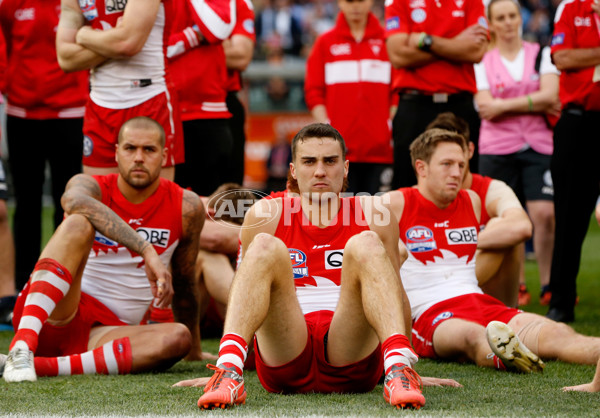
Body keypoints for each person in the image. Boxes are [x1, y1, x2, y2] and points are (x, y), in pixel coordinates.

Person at [178, 123, 461, 410]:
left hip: (350, 352)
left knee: (365, 241)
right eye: (309, 161)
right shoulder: (266, 214)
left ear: (346, 167)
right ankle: (228, 371)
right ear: (293, 170)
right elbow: (247, 296)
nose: (320, 171)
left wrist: (410, 359)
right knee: (264, 243)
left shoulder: (375, 214)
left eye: (330, 161)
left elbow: (396, 294)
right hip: (285, 350)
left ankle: (399, 369)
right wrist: (237, 361)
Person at [0, 117, 207, 382]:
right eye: (130, 148)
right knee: (77, 222)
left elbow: (186, 281)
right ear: (116, 152)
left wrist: (196, 351)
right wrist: (146, 248)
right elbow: (71, 200)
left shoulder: (186, 206)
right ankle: (23, 344)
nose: (139, 158)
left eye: (149, 150)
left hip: (108, 333)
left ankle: (33, 365)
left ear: (165, 155)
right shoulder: (92, 187)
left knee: (178, 337)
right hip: (58, 311)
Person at [385, 128, 600, 374]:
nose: (457, 173)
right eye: (447, 164)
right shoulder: (395, 202)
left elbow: (519, 227)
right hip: (428, 314)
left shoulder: (471, 200)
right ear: (421, 168)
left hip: (480, 301)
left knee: (558, 332)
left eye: (461, 164)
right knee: (471, 336)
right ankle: (506, 356)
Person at [474, 0, 560, 306]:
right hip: (497, 148)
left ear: (519, 19)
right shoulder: (482, 60)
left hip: (538, 144)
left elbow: (552, 95)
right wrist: (531, 101)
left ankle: (549, 283)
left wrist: (503, 105)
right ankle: (518, 283)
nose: (509, 22)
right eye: (501, 17)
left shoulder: (542, 54)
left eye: (512, 15)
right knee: (505, 216)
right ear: (492, 23)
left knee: (544, 214)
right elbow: (485, 108)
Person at [0, 0, 88, 292]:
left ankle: (69, 279)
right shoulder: (11, 5)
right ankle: (25, 282)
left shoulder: (78, 4)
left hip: (71, 112)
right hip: (22, 114)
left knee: (71, 203)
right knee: (26, 203)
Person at [55, 0, 184, 180]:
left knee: (154, 202)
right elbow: (66, 59)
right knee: (100, 201)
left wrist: (84, 35)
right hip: (100, 103)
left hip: (148, 98)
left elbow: (127, 44)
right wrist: (115, 40)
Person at [426, 112, 531, 308]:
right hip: (432, 288)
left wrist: (454, 243)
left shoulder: (490, 189)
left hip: (483, 293)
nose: (453, 170)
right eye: (444, 161)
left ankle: (450, 297)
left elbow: (522, 227)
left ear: (470, 151)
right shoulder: (413, 196)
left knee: (502, 229)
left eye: (457, 155)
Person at [384, 0, 488, 188]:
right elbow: (398, 55)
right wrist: (456, 44)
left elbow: (476, 51)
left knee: (464, 183)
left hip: (459, 104)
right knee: (408, 185)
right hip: (415, 106)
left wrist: (425, 41)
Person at [545, 0, 600, 323]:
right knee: (568, 214)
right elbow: (563, 57)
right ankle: (561, 300)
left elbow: (574, 57)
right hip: (579, 122)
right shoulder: (571, 7)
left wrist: (589, 53)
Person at [305, 0, 394, 194]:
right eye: (349, 1)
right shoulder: (325, 43)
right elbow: (313, 92)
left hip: (380, 153)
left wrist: (386, 128)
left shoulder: (388, 40)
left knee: (378, 215)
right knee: (342, 217)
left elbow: (396, 92)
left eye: (360, 0)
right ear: (340, 3)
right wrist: (329, 129)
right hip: (338, 154)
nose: (355, 6)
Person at [167, 0, 237, 196]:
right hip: (166, 109)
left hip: (209, 111)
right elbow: (153, 47)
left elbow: (218, 28)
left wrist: (184, 39)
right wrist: (196, 34)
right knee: (171, 200)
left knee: (217, 204)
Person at [224, 0, 256, 185]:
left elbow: (241, 56)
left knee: (229, 197)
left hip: (225, 104)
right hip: (177, 103)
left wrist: (187, 42)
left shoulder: (237, 4)